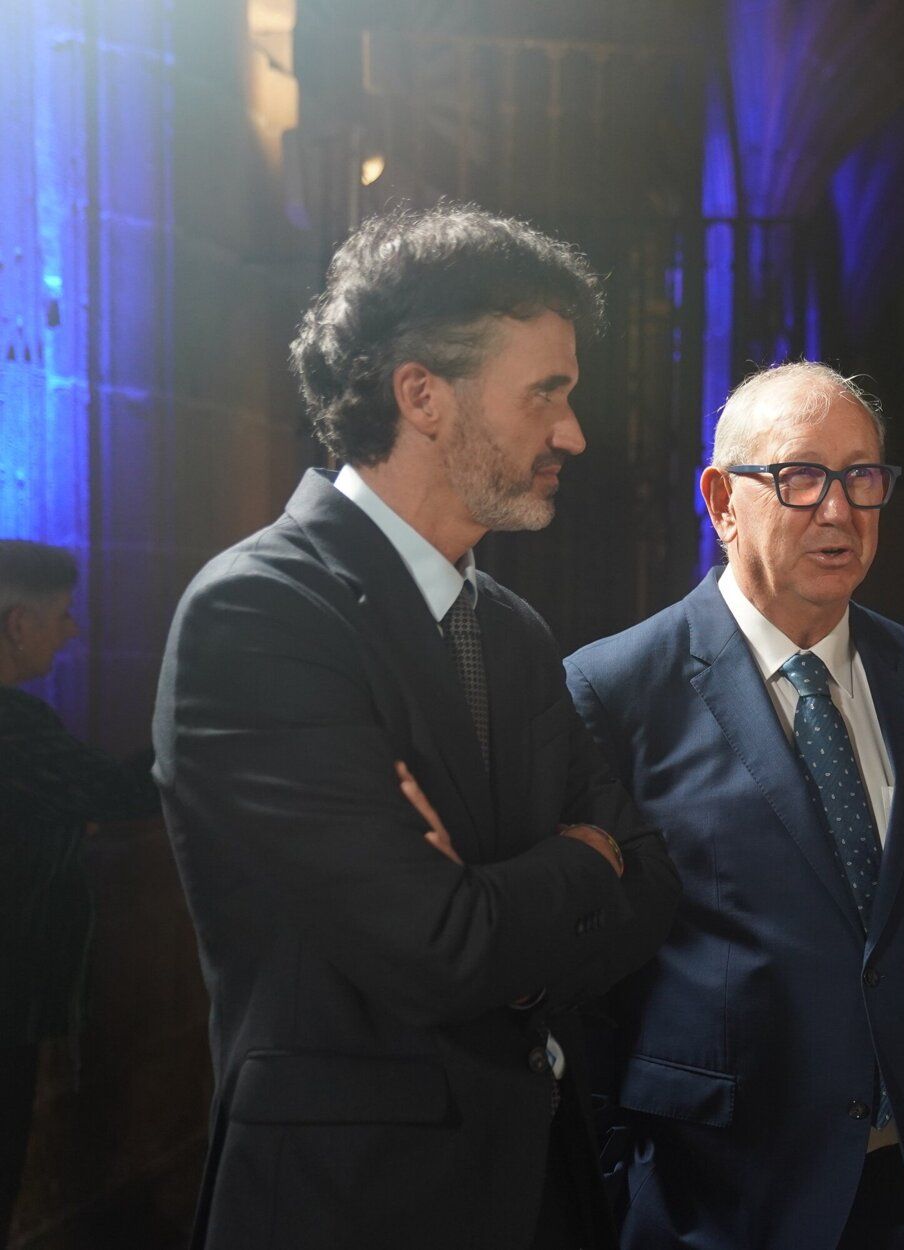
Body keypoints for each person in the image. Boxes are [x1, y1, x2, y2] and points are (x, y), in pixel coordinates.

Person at [152, 205, 680, 1250]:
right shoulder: (257, 613)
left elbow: (653, 887)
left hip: (544, 1190)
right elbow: (440, 949)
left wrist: (500, 905)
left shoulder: (513, 630)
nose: (572, 433)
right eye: (546, 393)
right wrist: (584, 856)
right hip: (350, 1205)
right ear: (422, 395)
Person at [564, 362, 904, 1250]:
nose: (839, 510)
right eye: (800, 476)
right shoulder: (616, 689)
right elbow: (589, 987)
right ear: (720, 501)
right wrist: (622, 1192)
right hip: (719, 1200)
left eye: (863, 477)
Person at [1, 541, 161, 1238]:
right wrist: (204, 705)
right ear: (17, 624)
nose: (72, 630)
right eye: (62, 614)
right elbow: (126, 792)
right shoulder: (14, 725)